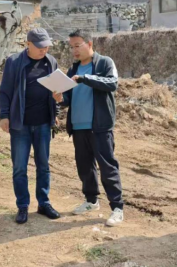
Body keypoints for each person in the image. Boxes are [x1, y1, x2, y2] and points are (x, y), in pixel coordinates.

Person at [53, 29, 124, 227]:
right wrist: (60, 98)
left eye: (77, 46)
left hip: (100, 126)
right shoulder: (73, 69)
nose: (74, 50)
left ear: (89, 44)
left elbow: (112, 83)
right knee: (85, 167)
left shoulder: (104, 63)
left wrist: (85, 79)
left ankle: (117, 208)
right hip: (78, 126)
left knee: (107, 167)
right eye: (71, 47)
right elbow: (68, 98)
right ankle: (91, 201)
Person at [0, 27, 61, 224]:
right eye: (40, 47)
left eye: (46, 46)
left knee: (43, 166)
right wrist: (4, 115)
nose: (44, 50)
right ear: (28, 44)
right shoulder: (14, 62)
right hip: (20, 125)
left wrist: (56, 112)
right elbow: (5, 91)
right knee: (19, 168)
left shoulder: (51, 62)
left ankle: (43, 203)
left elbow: (57, 90)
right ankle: (23, 206)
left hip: (43, 123)